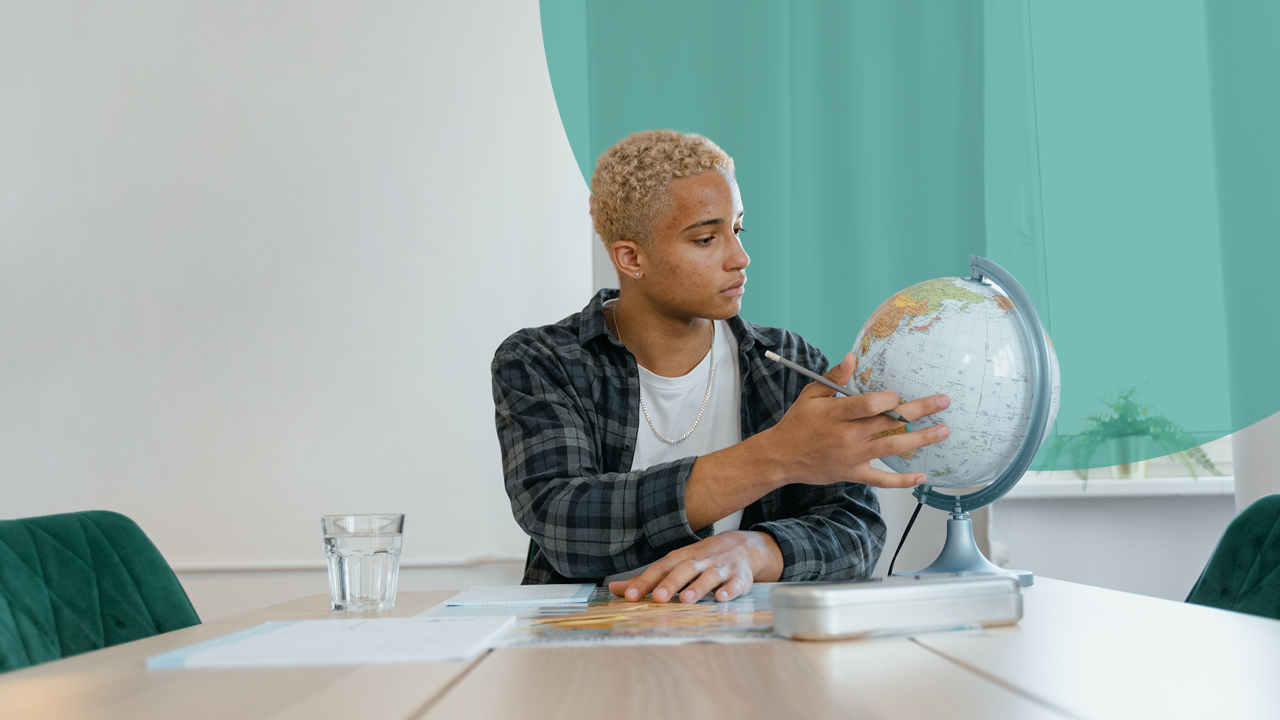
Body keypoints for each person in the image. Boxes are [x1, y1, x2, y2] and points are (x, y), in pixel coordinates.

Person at [491, 130, 950, 604]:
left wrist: (754, 550)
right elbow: (565, 522)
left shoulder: (789, 367)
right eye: (707, 238)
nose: (740, 257)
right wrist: (777, 456)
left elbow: (856, 531)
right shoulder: (541, 360)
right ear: (631, 258)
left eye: (738, 229)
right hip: (586, 652)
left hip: (747, 648)